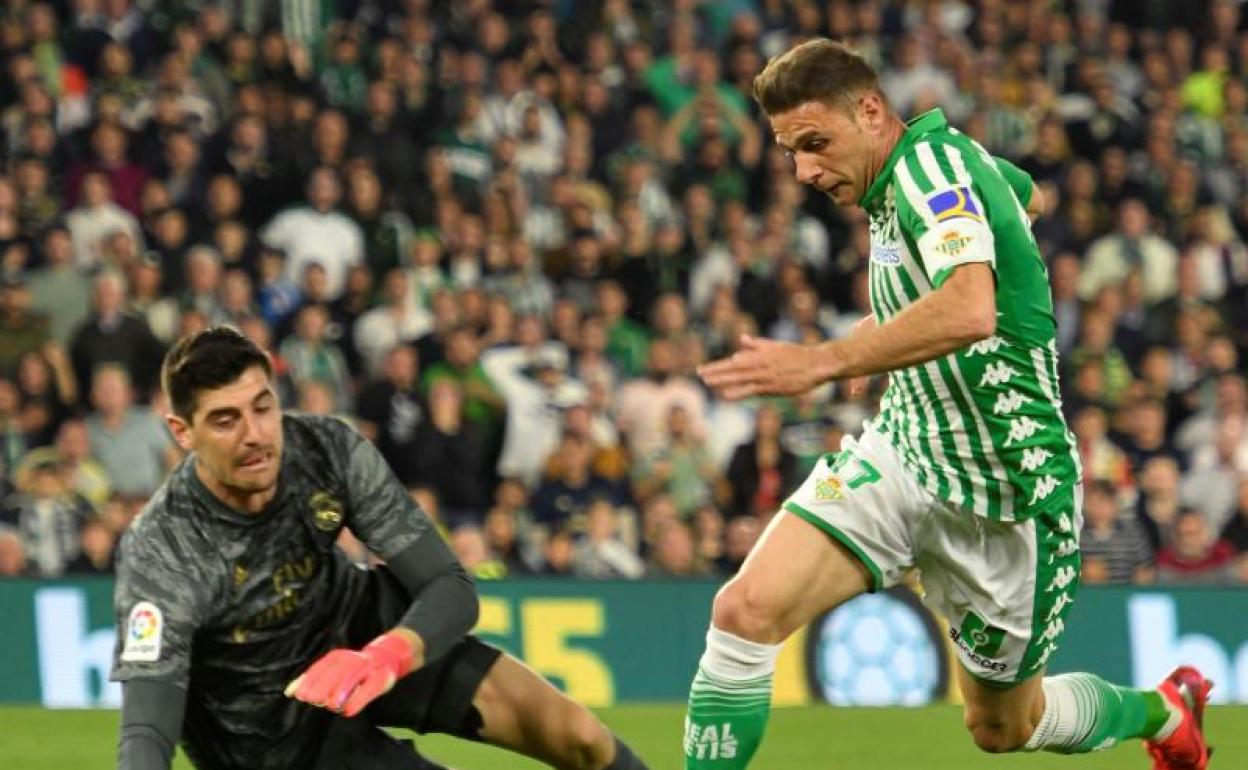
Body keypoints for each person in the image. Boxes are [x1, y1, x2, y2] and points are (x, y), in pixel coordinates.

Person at [682, 39, 1210, 770]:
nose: (802, 170)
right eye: (789, 151)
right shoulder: (906, 180)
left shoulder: (930, 167)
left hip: (1007, 495)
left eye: (814, 143)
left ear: (870, 111)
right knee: (742, 614)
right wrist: (887, 335)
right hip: (904, 454)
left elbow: (968, 310)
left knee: (1003, 727)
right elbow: (1025, 193)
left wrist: (824, 362)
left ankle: (1161, 710)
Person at [111, 327, 649, 770]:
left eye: (262, 407)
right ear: (182, 432)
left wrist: (385, 657)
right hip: (268, 738)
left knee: (579, 736)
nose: (255, 434)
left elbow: (450, 587)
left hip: (363, 635)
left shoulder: (326, 449)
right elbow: (146, 729)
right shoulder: (162, 550)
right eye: (226, 420)